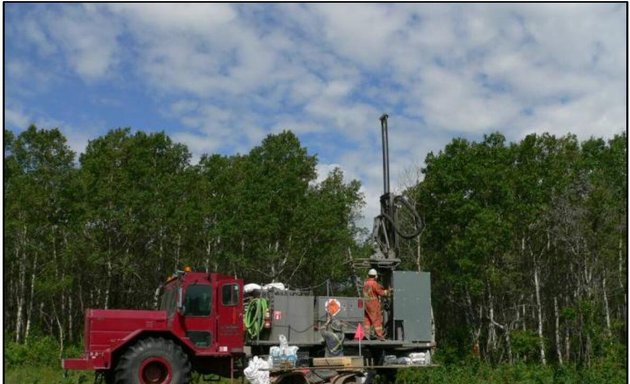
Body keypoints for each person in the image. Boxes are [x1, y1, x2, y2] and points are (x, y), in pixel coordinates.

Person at [362, 269, 388, 341]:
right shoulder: (374, 283)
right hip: (373, 304)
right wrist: (388, 291)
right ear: (376, 276)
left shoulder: (365, 283)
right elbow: (381, 293)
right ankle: (380, 335)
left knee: (367, 319)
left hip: (366, 303)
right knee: (377, 319)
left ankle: (366, 334)